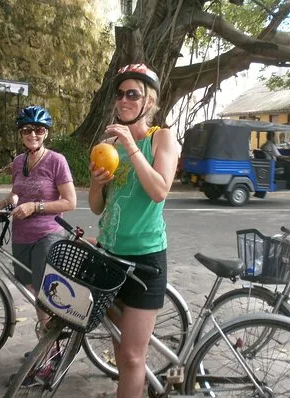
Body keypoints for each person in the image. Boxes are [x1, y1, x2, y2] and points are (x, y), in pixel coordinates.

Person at [88, 63, 178, 398]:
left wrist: (131, 147)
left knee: (131, 355)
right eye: (120, 94)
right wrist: (97, 184)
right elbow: (97, 207)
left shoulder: (162, 138)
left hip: (145, 260)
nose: (123, 100)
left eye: (132, 94)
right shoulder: (108, 145)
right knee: (118, 349)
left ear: (149, 102)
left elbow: (159, 190)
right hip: (109, 256)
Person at [0, 105, 76, 336]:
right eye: (27, 130)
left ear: (46, 132)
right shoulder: (19, 161)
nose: (33, 134)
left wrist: (35, 207)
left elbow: (70, 202)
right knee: (31, 288)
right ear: (21, 133)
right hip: (21, 234)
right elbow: (17, 193)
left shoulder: (56, 161)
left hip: (47, 234)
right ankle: (47, 337)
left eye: (39, 129)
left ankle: (51, 345)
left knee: (45, 292)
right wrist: (3, 202)